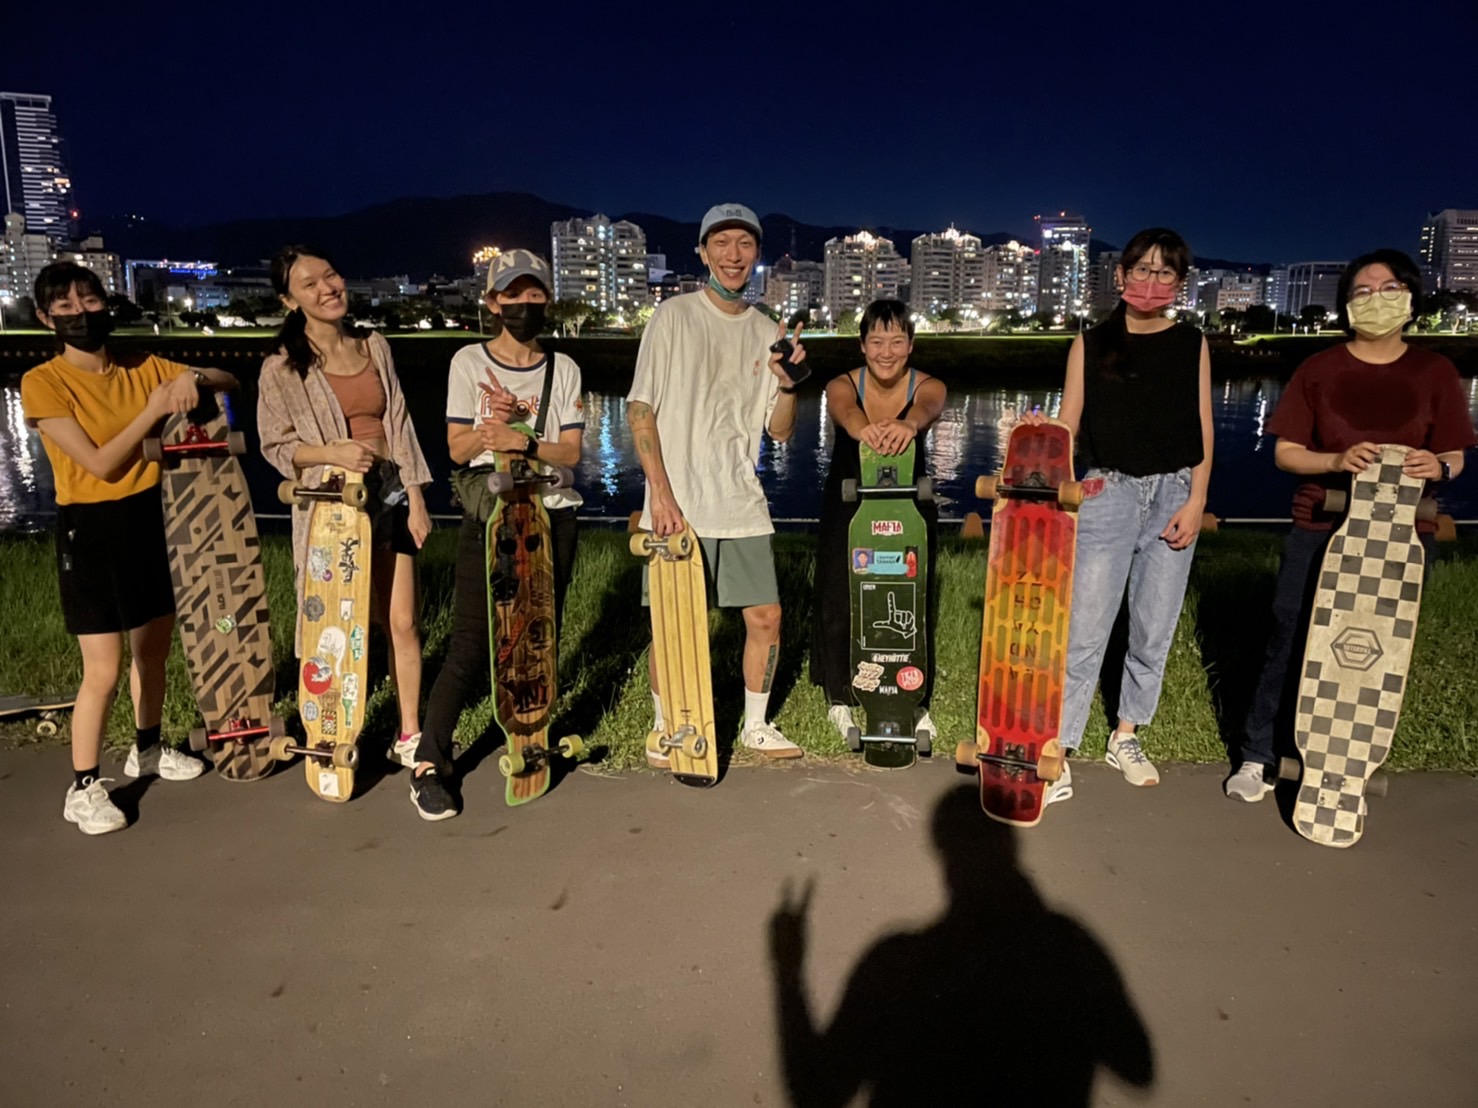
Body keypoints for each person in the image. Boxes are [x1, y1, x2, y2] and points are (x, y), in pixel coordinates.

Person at [1226, 250, 1473, 800]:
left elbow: (1454, 455)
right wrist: (1335, 461)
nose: (1375, 299)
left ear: (1410, 299)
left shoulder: (1433, 371)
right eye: (1362, 291)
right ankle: (1259, 754)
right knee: (1292, 636)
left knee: (1375, 649)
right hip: (1321, 527)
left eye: (1389, 288)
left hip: (1401, 535)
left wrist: (1438, 467)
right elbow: (1287, 453)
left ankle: (1347, 761)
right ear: (1346, 305)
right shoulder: (1320, 369)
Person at [20, 261, 238, 835]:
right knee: (104, 667)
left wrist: (195, 379)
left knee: (153, 650)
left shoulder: (143, 365)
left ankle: (148, 748)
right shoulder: (44, 382)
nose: (81, 313)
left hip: (152, 516)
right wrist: (155, 408)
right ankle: (83, 786)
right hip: (89, 526)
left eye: (89, 300)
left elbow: (228, 379)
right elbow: (98, 462)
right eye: (64, 307)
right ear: (45, 318)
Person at [408, 250, 585, 820]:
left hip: (552, 515)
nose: (524, 306)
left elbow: (570, 454)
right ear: (492, 303)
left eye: (535, 295)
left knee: (538, 637)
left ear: (547, 301)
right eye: (513, 296)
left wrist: (522, 438)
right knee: (470, 642)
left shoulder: (564, 369)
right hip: (493, 518)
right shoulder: (468, 363)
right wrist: (495, 428)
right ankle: (429, 762)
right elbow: (458, 450)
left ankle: (529, 738)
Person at [627, 202, 806, 762]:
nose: (733, 255)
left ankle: (755, 725)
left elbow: (780, 431)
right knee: (674, 625)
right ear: (703, 252)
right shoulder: (673, 316)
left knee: (767, 617)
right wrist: (660, 495)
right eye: (721, 243)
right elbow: (640, 409)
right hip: (677, 503)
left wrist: (789, 382)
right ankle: (665, 726)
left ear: (757, 254)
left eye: (744, 244)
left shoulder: (767, 330)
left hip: (740, 500)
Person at [1038, 228, 1213, 802]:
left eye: (1165, 273)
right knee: (1085, 629)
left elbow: (1203, 428)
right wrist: (1040, 445)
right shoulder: (1091, 344)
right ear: (1121, 275)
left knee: (1153, 627)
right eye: (1142, 270)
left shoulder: (1191, 343)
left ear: (1179, 283)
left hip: (1173, 493)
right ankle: (1060, 748)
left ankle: (1126, 734)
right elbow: (1069, 422)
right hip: (1106, 492)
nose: (1151, 282)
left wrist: (1196, 499)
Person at [257, 245, 432, 772]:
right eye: (309, 284)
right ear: (290, 300)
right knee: (334, 623)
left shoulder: (373, 345)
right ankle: (332, 726)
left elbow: (399, 422)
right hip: (332, 508)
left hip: (389, 493)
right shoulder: (282, 367)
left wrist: (417, 497)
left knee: (402, 620)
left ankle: (409, 731)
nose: (327, 288)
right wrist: (329, 453)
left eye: (330, 275)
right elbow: (275, 445)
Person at [811, 299, 946, 740]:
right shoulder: (842, 383)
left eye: (896, 341)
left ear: (910, 345)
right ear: (862, 345)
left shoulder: (929, 384)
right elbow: (844, 409)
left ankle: (914, 693)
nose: (886, 352)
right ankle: (839, 695)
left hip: (908, 501)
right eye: (876, 341)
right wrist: (862, 428)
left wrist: (909, 425)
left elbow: (928, 405)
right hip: (849, 498)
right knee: (839, 591)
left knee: (910, 593)